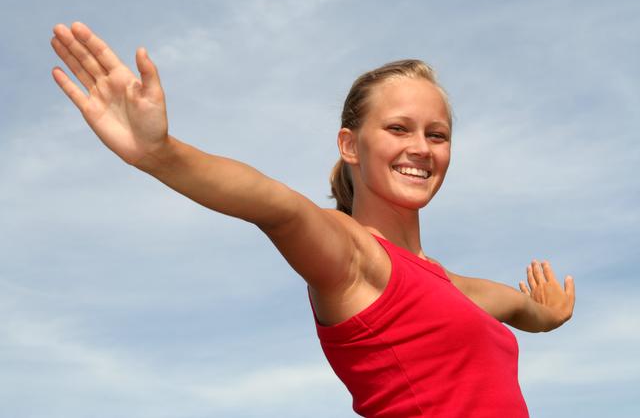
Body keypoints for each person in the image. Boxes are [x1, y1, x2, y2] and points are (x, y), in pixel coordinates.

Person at [50, 22, 576, 417]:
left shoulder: (456, 288)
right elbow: (274, 206)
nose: (420, 148)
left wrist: (550, 314)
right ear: (350, 144)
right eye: (398, 128)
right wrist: (161, 153)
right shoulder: (353, 258)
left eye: (436, 135)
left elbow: (518, 308)